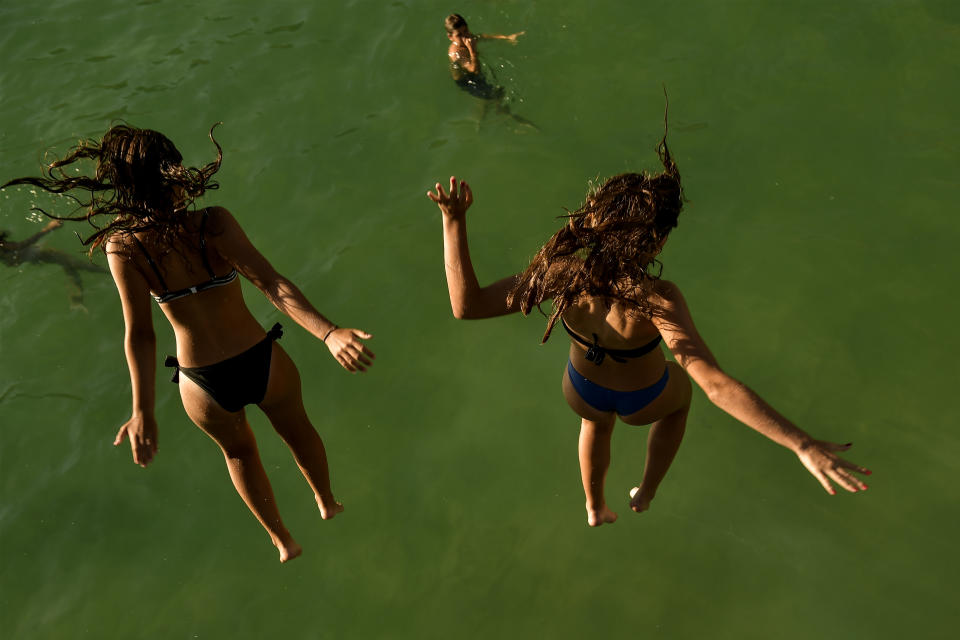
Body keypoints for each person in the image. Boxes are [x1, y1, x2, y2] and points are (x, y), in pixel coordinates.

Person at [426, 130, 870, 527]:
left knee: (595, 423)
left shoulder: (562, 274)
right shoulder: (657, 299)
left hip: (580, 388)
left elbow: (467, 306)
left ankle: (594, 506)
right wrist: (801, 443)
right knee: (683, 396)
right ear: (653, 242)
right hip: (643, 401)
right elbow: (716, 386)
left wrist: (453, 222)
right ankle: (646, 492)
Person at [2, 125, 375, 561]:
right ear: (170, 172)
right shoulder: (212, 223)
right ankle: (326, 501)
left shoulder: (122, 246)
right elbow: (271, 284)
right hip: (261, 359)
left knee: (238, 454)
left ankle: (282, 541)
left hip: (201, 383)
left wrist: (142, 411)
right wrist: (328, 333)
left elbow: (140, 334)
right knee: (297, 428)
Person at [444, 13, 536, 129]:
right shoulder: (457, 52)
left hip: (474, 75)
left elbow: (481, 37)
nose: (466, 37)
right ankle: (505, 117)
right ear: (450, 37)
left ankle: (481, 120)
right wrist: (472, 51)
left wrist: (507, 38)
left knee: (488, 99)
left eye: (466, 31)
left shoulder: (468, 38)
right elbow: (474, 70)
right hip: (467, 80)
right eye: (459, 35)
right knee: (497, 95)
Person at [0, 219, 107, 310]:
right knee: (68, 261)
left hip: (17, 258)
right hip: (26, 254)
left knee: (65, 261)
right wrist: (48, 228)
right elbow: (22, 245)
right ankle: (107, 271)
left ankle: (77, 299)